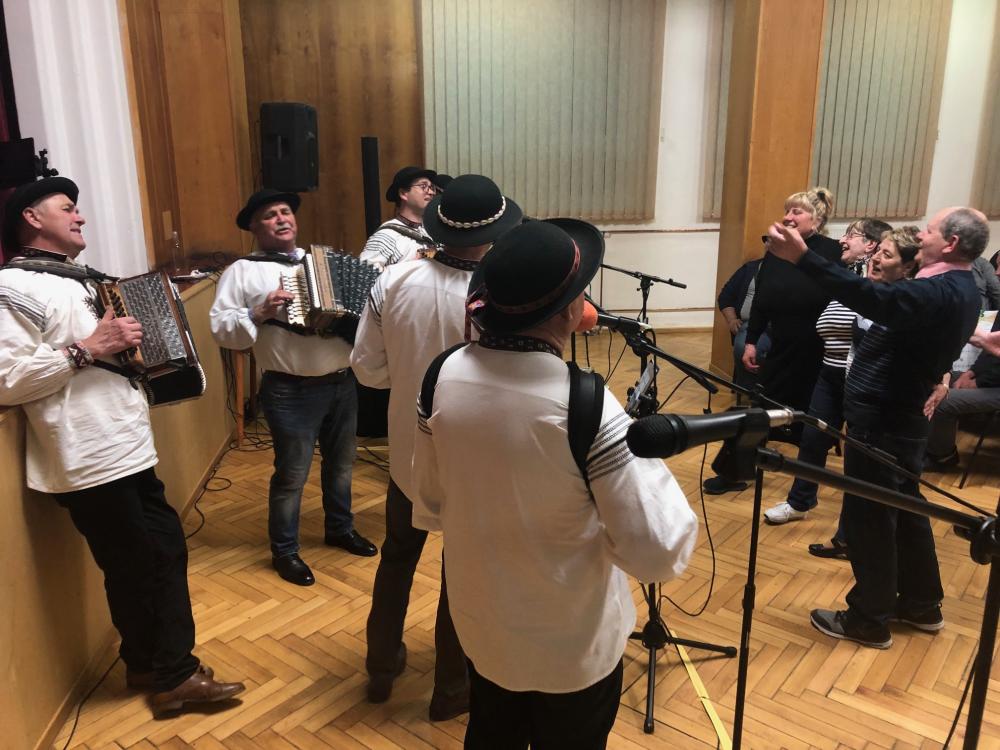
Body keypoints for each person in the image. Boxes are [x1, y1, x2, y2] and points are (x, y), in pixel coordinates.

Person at [410, 221, 698, 748]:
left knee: (491, 731)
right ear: (570, 313)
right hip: (571, 644)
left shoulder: (440, 376)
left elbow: (428, 501)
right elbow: (658, 550)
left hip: (482, 625)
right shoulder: (586, 405)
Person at [0, 177, 244, 715]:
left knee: (143, 560)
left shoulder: (81, 279)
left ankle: (144, 663)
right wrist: (87, 349)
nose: (80, 216)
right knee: (149, 559)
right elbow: (6, 380)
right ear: (31, 219)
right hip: (85, 453)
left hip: (124, 443)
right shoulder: (11, 288)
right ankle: (176, 676)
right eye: (68, 208)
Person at [766, 206, 985, 649]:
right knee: (905, 509)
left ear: (950, 244)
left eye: (930, 230)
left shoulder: (934, 290)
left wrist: (804, 258)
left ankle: (869, 619)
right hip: (901, 418)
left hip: (884, 420)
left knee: (870, 516)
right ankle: (921, 605)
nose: (921, 235)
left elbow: (870, 297)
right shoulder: (960, 287)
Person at [352, 174, 522, 720]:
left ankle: (381, 666)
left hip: (408, 452)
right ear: (496, 231)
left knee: (397, 555)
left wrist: (408, 377)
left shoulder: (393, 279)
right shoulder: (505, 294)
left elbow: (367, 370)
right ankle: (451, 688)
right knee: (461, 568)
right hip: (477, 457)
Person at [210, 188, 377, 588]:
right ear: (254, 227)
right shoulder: (241, 272)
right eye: (270, 215)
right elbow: (221, 329)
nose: (282, 218)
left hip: (341, 381)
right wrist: (258, 312)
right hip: (289, 389)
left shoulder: (321, 263)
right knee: (291, 475)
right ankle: (284, 550)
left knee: (341, 465)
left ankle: (340, 528)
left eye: (286, 211)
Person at [763, 219, 894, 546]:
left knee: (857, 458)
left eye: (851, 234)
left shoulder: (879, 283)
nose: (842, 240)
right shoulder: (847, 276)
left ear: (871, 245)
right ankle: (799, 502)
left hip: (861, 380)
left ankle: (850, 534)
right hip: (829, 373)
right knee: (812, 440)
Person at [705, 187, 843, 494]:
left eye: (796, 212)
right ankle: (734, 474)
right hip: (781, 348)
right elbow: (762, 300)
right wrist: (751, 341)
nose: (787, 217)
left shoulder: (832, 252)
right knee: (758, 415)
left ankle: (802, 495)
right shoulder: (776, 251)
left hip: (818, 354)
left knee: (812, 428)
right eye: (787, 211)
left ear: (816, 219)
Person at [923, 312, 1000, 467]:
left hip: (994, 383)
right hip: (991, 378)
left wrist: (978, 382)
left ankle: (942, 456)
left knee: (943, 402)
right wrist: (971, 373)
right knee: (931, 380)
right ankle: (924, 441)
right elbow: (992, 346)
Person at [359, 166, 438, 268]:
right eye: (423, 186)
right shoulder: (386, 236)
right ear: (403, 193)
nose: (431, 192)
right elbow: (366, 274)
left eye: (431, 187)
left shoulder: (434, 231)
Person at [716, 253, 771, 394]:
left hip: (783, 327)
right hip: (750, 324)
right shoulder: (750, 268)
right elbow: (725, 296)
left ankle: (773, 393)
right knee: (743, 348)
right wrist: (732, 320)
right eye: (768, 242)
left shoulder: (796, 268)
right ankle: (751, 392)